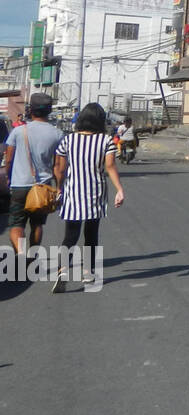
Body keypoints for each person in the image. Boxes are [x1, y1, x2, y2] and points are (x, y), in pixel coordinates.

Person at [52, 102, 123, 289]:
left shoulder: (68, 140)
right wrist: (119, 190)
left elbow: (59, 168)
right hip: (95, 193)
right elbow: (110, 167)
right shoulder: (105, 141)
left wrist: (59, 187)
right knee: (91, 235)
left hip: (73, 193)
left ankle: (62, 270)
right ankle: (87, 273)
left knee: (70, 236)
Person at [3, 92, 63, 256]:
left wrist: (8, 176)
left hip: (19, 186)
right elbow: (58, 166)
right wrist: (59, 187)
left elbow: (8, 160)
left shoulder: (18, 131)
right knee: (37, 224)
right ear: (49, 110)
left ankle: (20, 253)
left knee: (17, 223)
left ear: (31, 109)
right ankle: (32, 257)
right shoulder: (57, 134)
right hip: (43, 187)